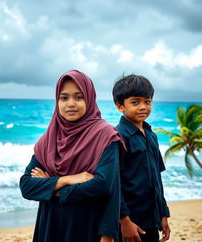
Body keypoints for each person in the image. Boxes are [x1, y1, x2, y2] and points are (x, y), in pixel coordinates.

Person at [20, 70, 125, 242]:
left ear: (89, 99)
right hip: (51, 225)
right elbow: (27, 186)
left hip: (88, 226)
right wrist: (67, 179)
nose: (71, 104)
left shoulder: (105, 135)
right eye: (64, 98)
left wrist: (53, 190)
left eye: (78, 97)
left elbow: (103, 186)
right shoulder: (49, 139)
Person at [112, 74, 171, 242]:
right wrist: (124, 221)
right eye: (135, 102)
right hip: (130, 220)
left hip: (151, 218)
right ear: (120, 106)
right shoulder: (118, 137)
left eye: (147, 101)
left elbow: (156, 180)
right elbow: (113, 183)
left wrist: (163, 213)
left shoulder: (151, 135)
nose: (143, 107)